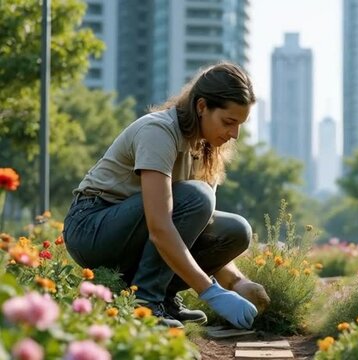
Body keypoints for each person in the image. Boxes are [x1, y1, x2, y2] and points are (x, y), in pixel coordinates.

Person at [62, 62, 269, 329]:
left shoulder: (205, 150)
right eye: (228, 122)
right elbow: (160, 226)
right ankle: (146, 303)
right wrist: (210, 291)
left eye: (239, 125)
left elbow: (190, 232)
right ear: (202, 107)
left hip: (134, 235)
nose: (234, 134)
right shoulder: (158, 132)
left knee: (236, 231)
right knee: (197, 197)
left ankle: (162, 298)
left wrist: (238, 284)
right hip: (92, 228)